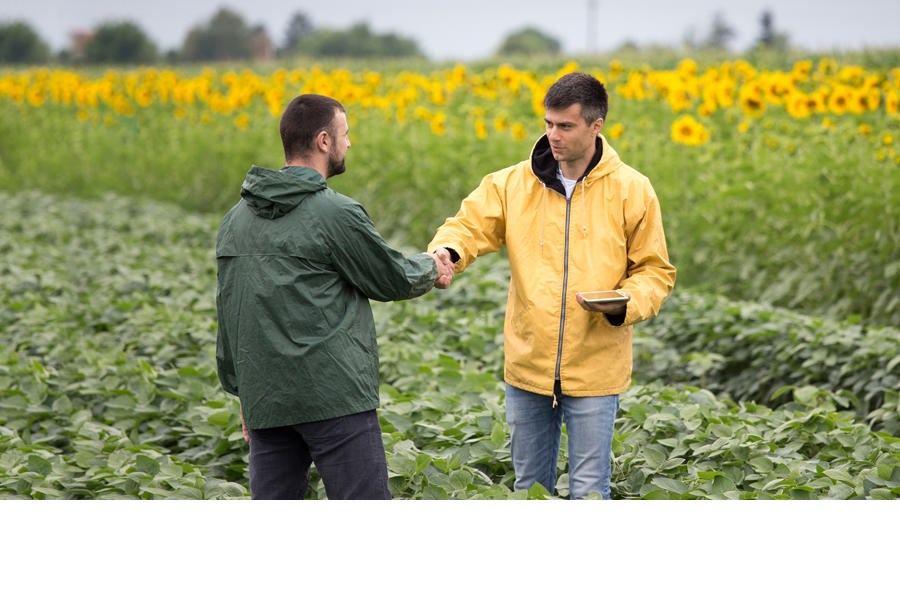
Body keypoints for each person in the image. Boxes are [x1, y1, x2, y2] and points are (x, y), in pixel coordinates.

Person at [428, 72, 676, 499]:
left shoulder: (633, 190)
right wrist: (448, 252)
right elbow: (468, 226)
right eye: (548, 124)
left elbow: (655, 270)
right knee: (531, 490)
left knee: (588, 490)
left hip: (595, 365)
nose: (553, 136)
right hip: (529, 364)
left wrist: (623, 303)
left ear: (596, 126)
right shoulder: (510, 184)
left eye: (565, 126)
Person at [215, 94, 454, 500]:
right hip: (334, 397)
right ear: (324, 141)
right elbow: (390, 277)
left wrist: (242, 392)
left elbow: (230, 313)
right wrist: (433, 265)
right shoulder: (334, 213)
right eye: (346, 134)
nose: (350, 143)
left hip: (266, 401)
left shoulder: (235, 220)